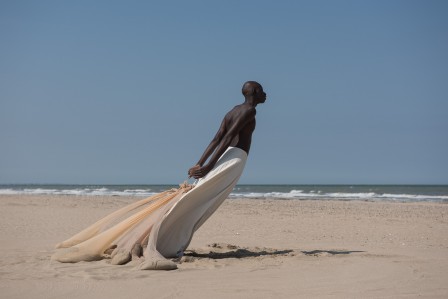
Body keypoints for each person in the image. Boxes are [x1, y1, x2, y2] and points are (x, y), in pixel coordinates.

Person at [188, 81, 267, 179]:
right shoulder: (250, 110)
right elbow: (228, 137)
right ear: (254, 91)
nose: (265, 94)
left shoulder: (234, 110)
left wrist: (199, 164)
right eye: (262, 90)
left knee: (208, 187)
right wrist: (209, 166)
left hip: (226, 154)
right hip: (236, 156)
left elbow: (217, 139)